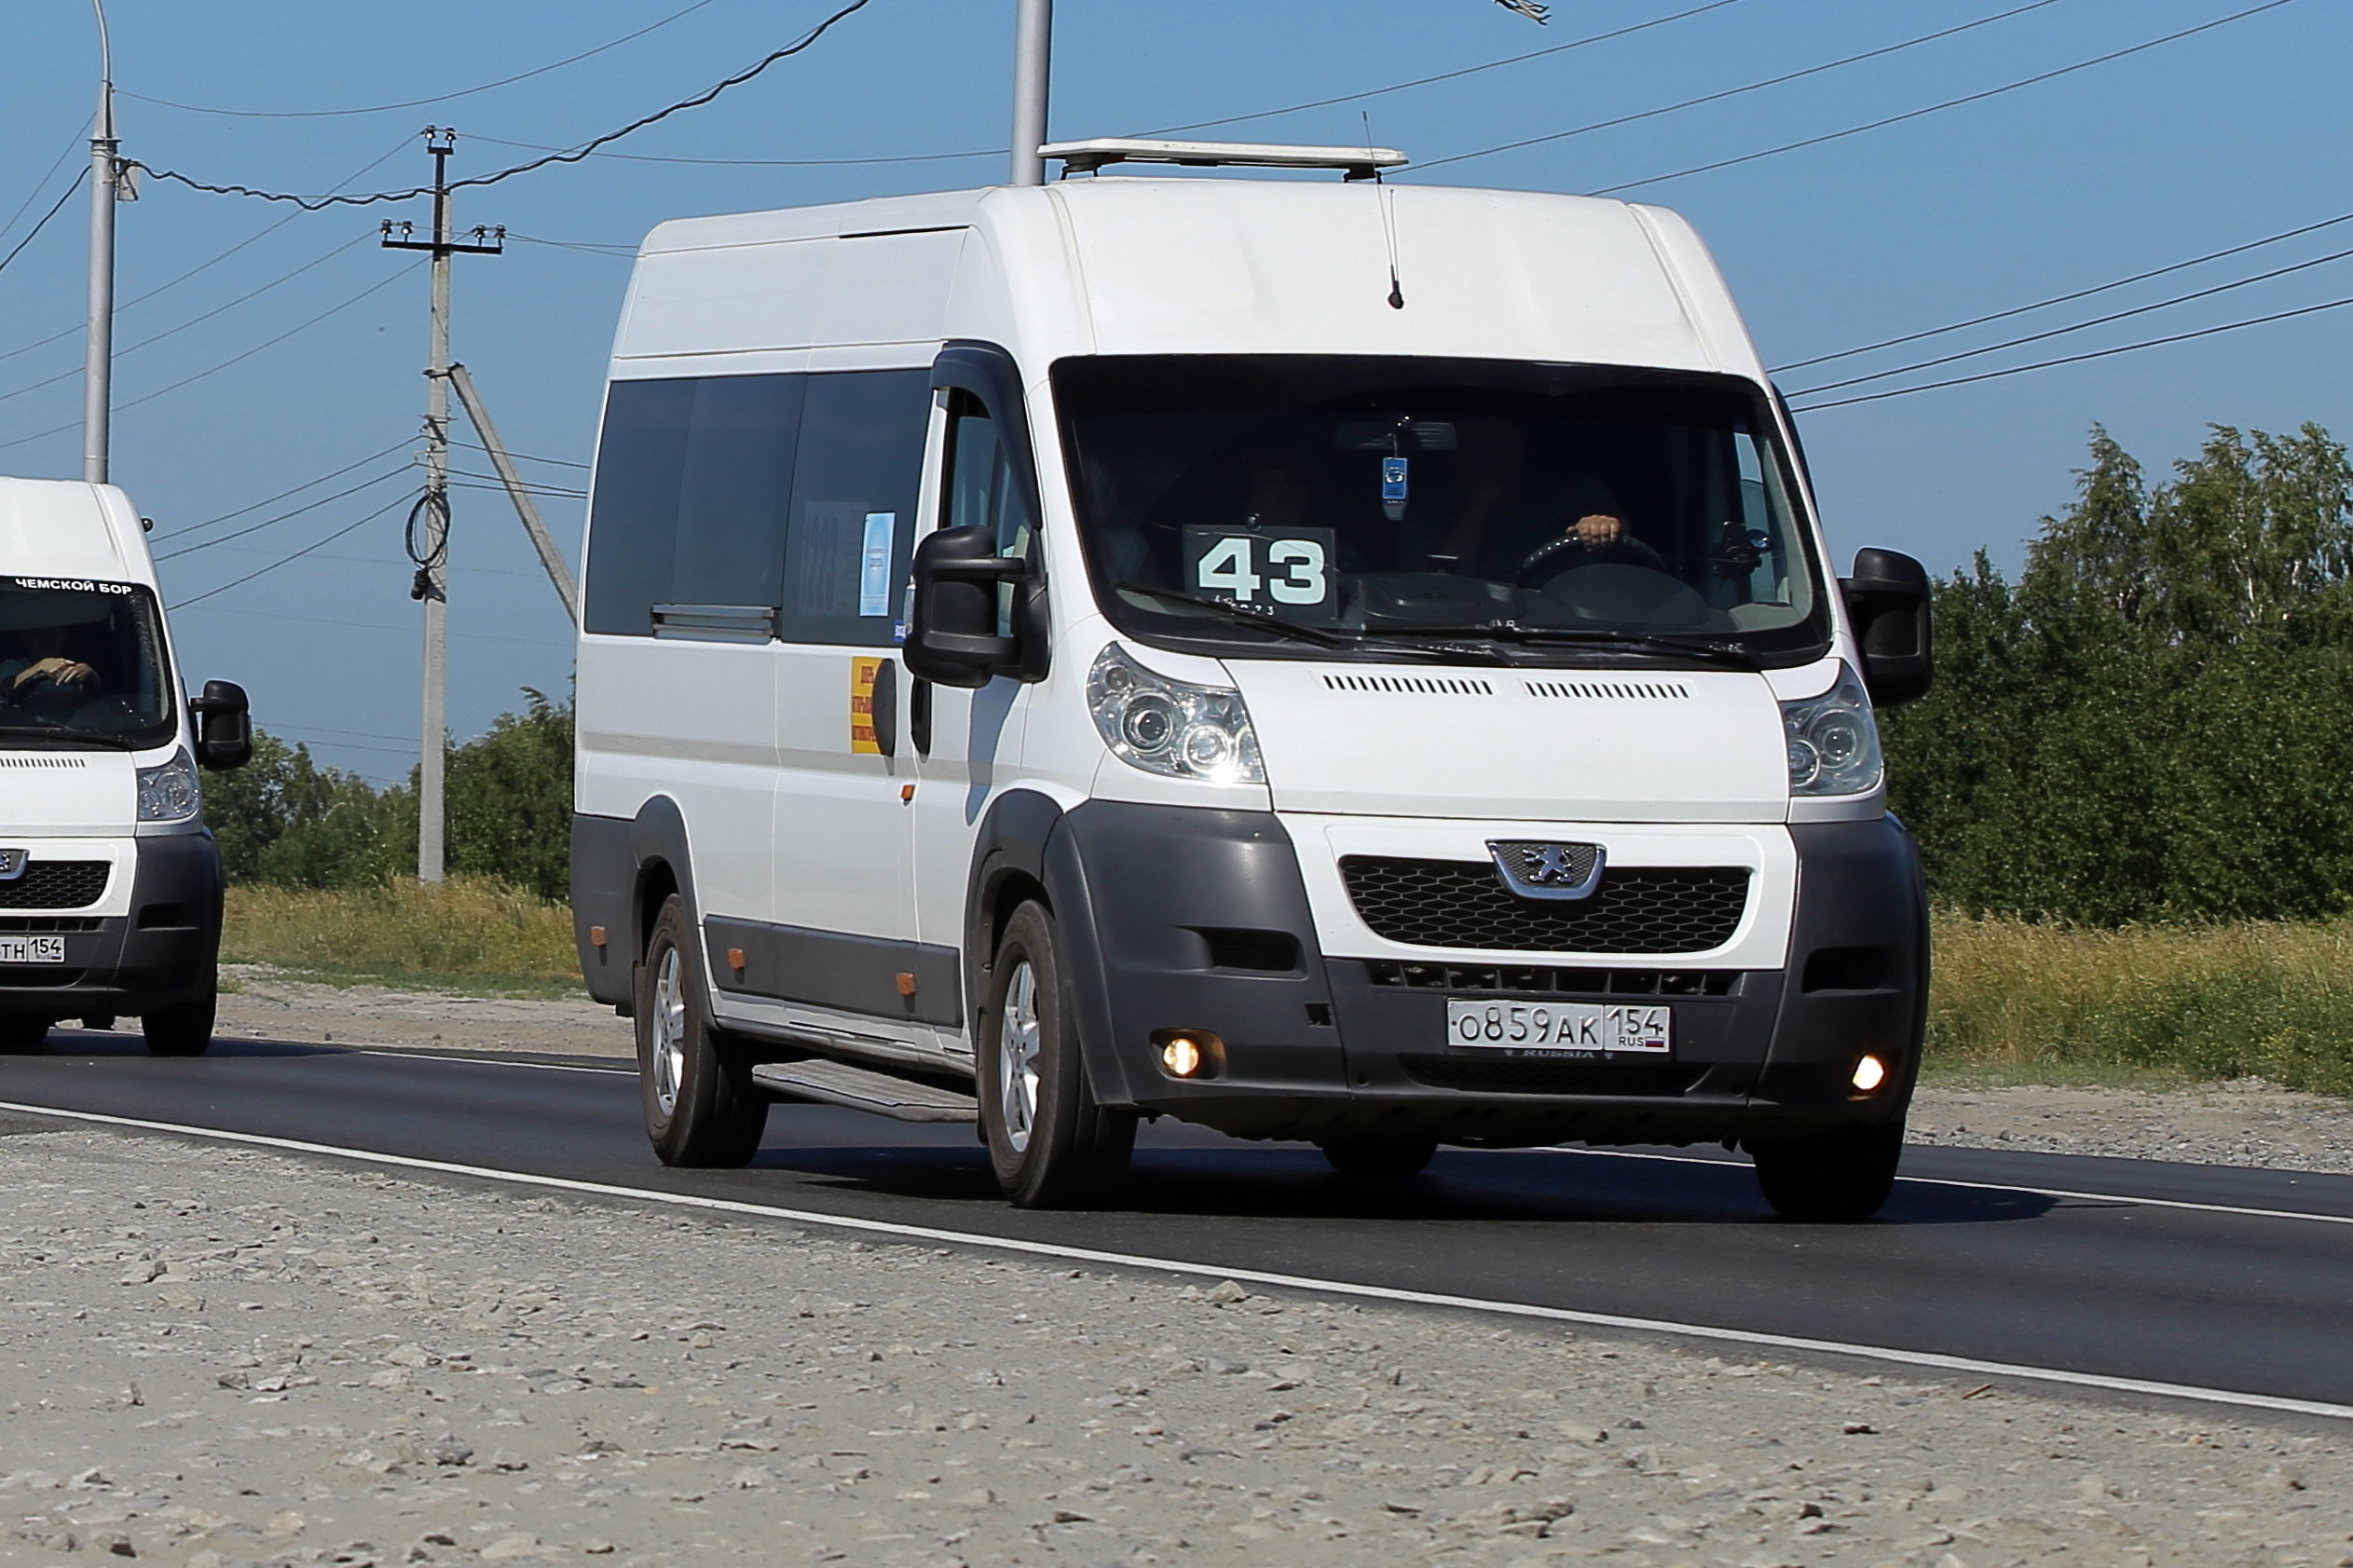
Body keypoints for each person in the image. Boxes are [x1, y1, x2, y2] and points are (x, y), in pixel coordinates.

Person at [0, 624, 99, 712]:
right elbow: (8, 688)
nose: (47, 640)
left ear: (63, 637)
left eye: (53, 632)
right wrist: (39, 667)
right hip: (24, 729)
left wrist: (91, 676)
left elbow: (94, 704)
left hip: (72, 730)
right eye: (38, 634)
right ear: (27, 641)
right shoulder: (12, 665)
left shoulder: (74, 667)